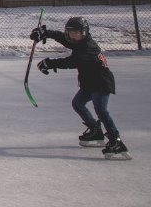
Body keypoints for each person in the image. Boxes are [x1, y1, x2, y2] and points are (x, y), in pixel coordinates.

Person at [31, 16, 131, 160]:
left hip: (101, 83)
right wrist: (46, 33)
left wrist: (51, 63)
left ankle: (117, 142)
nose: (72, 36)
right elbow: (64, 39)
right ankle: (96, 131)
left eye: (76, 33)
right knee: (77, 103)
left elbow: (73, 62)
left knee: (101, 111)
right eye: (70, 33)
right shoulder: (79, 42)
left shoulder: (88, 48)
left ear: (84, 32)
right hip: (89, 83)